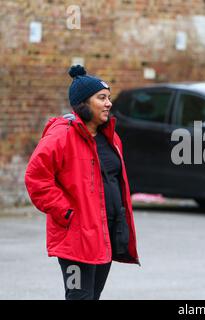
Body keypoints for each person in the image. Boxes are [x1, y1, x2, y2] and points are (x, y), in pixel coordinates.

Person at [24, 65, 139, 300]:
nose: (108, 103)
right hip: (75, 238)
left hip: (105, 234)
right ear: (83, 104)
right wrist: (66, 213)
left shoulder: (111, 138)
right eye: (101, 98)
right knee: (79, 296)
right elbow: (36, 177)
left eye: (108, 97)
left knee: (93, 296)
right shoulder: (60, 136)